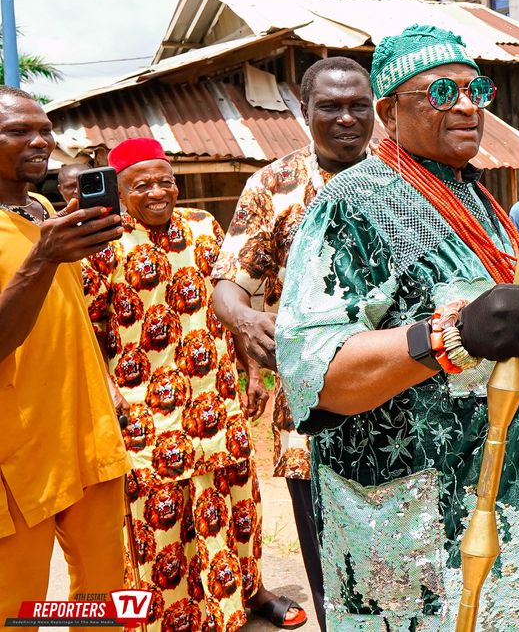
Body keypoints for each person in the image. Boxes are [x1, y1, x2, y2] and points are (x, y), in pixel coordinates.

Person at [274, 24, 519, 632]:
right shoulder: (355, 203)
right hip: (425, 539)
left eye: (477, 90)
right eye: (441, 93)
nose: (467, 105)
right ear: (389, 112)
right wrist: (450, 337)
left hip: (516, 523)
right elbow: (316, 373)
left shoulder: (478, 197)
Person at [84, 137, 304, 632]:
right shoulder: (102, 244)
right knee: (159, 515)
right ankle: (171, 611)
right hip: (145, 409)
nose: (158, 191)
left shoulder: (205, 228)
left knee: (237, 499)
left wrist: (252, 370)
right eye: (142, 185)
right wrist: (112, 395)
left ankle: (250, 593)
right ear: (120, 191)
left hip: (216, 396)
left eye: (165, 180)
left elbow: (233, 305)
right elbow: (87, 330)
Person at [211, 57, 375, 631]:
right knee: (332, 579)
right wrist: (243, 320)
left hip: (407, 405)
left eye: (359, 104)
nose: (347, 118)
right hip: (316, 419)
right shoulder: (273, 186)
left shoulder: (405, 180)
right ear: (304, 112)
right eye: (330, 106)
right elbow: (229, 284)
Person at [0, 86, 128, 623]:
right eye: (18, 132)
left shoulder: (46, 209)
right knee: (16, 606)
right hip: (16, 453)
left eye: (45, 130)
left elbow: (69, 312)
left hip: (85, 432)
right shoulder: (45, 237)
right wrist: (42, 258)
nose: (40, 142)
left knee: (104, 595)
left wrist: (106, 382)